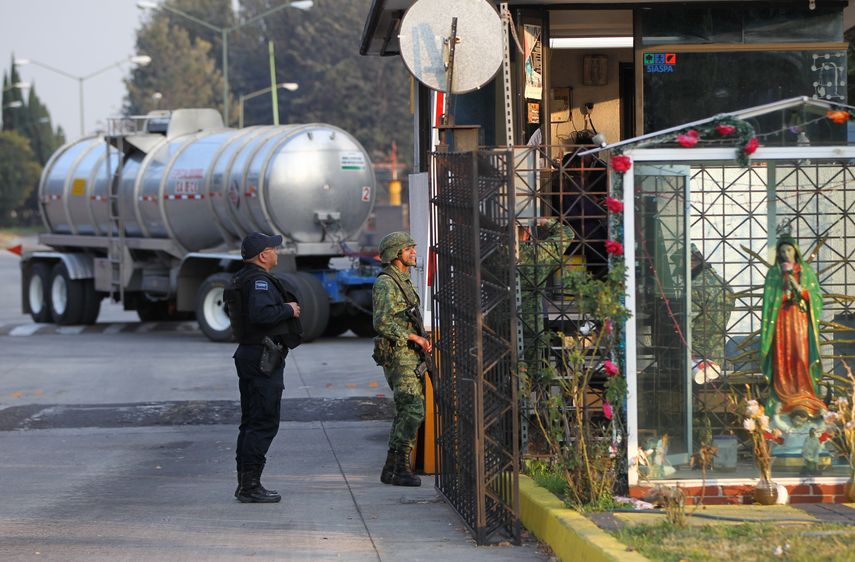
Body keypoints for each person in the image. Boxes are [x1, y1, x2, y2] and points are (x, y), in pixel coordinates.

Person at [228, 232, 302, 503]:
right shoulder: (258, 280)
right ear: (262, 255)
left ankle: (246, 483)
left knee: (251, 422)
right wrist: (288, 309)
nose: (277, 253)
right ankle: (250, 486)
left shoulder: (242, 278)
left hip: (251, 354)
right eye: (273, 249)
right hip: (261, 358)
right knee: (262, 422)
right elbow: (261, 315)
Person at [372, 231, 432, 487]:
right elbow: (382, 322)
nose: (413, 252)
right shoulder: (386, 283)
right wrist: (414, 338)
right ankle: (399, 466)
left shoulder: (404, 279)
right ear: (396, 254)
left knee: (406, 410)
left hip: (409, 354)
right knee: (413, 409)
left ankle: (393, 468)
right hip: (399, 354)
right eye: (408, 249)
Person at [760, 233, 826, 419]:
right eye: (782, 251)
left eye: (789, 249)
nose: (786, 254)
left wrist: (798, 289)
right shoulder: (773, 274)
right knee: (782, 357)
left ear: (795, 250)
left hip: (800, 321)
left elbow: (816, 298)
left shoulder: (807, 272)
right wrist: (783, 292)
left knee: (800, 356)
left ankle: (804, 392)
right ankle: (784, 395)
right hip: (781, 322)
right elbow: (768, 302)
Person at [690, 244, 735, 383]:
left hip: (697, 361)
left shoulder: (694, 286)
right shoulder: (724, 284)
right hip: (719, 358)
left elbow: (686, 323)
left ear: (691, 261)